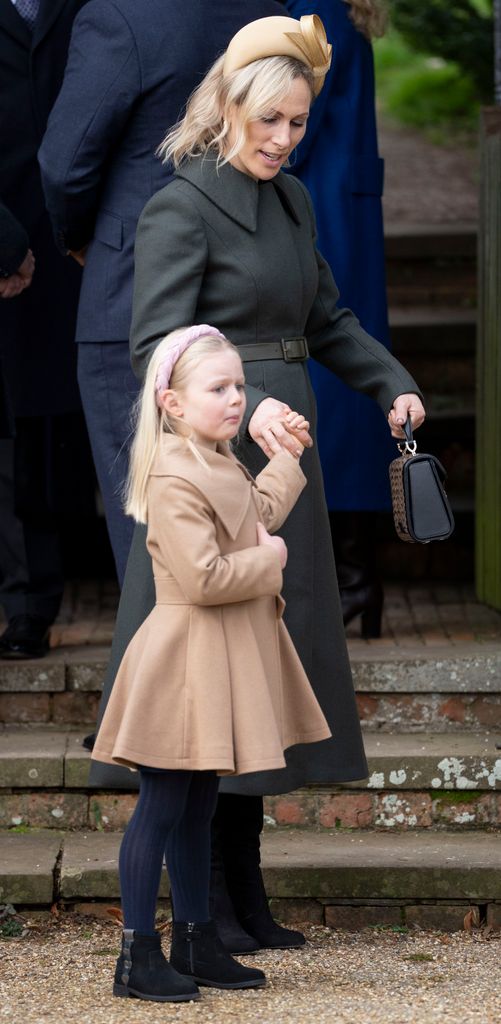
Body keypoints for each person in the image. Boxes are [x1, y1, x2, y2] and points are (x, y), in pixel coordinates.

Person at [90, 13, 425, 955]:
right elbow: (156, 348)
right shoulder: (180, 205)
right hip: (209, 463)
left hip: (286, 461)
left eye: (298, 122)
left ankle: (244, 889)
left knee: (265, 674)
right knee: (210, 681)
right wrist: (239, 403)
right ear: (229, 104)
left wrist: (389, 383)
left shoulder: (294, 204)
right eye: (270, 119)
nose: (284, 138)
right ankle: (205, 911)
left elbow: (327, 316)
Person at [92, 325, 331, 1001]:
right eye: (219, 388)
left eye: (236, 386)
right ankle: (137, 955)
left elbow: (254, 512)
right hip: (183, 664)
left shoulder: (219, 458)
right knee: (162, 805)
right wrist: (270, 561)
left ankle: (196, 940)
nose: (235, 399)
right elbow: (202, 577)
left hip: (214, 659)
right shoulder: (173, 472)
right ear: (171, 403)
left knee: (199, 804)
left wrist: (282, 459)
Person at [39, 0, 285, 587]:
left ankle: (163, 678)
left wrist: (81, 239)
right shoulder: (267, 12)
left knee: (149, 538)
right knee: (239, 527)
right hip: (247, 294)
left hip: (129, 291)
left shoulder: (118, 16)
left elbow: (64, 162)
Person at [285, 0, 392, 637]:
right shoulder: (338, 10)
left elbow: (294, 125)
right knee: (347, 394)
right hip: (344, 216)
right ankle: (359, 579)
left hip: (322, 216)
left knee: (332, 387)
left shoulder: (312, 15)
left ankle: (349, 580)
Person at [0, 0, 87, 658]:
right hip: (4, 235)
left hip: (77, 238)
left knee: (64, 415)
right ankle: (24, 599)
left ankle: (51, 592)